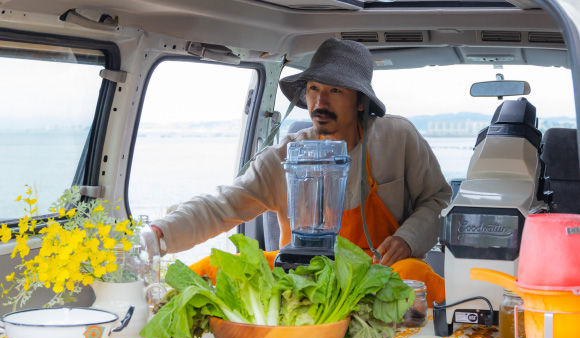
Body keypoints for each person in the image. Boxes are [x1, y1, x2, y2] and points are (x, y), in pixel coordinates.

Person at [150, 38, 452, 305]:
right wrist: (159, 235)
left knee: (414, 273)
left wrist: (407, 239)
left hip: (380, 274)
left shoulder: (398, 138)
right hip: (301, 279)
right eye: (313, 89)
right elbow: (221, 206)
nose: (320, 102)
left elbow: (438, 199)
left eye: (334, 90)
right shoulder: (284, 156)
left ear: (360, 102)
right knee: (212, 268)